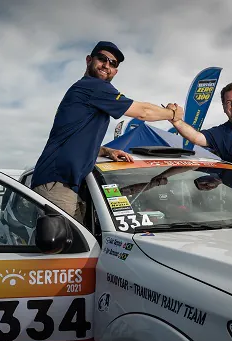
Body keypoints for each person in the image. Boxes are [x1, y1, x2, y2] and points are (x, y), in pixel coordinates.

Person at [31, 41, 184, 222]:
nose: (107, 65)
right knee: (70, 248)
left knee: (80, 245)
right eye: (102, 59)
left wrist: (105, 151)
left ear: (116, 71)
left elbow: (74, 140)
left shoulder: (88, 93)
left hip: (67, 184)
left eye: (113, 63)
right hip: (56, 183)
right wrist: (173, 114)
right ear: (89, 60)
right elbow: (143, 112)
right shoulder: (93, 86)